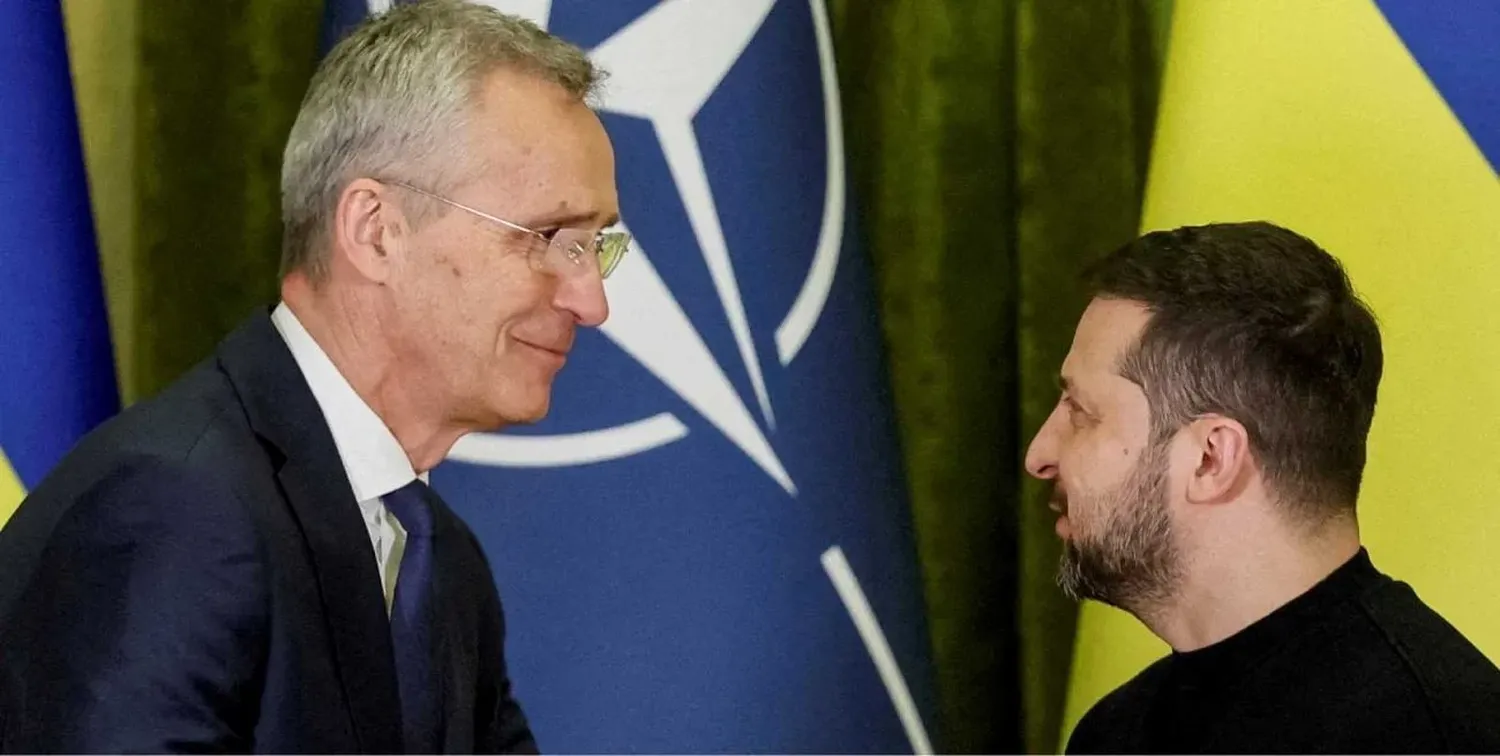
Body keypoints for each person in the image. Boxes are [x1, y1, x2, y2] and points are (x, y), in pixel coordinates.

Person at [0, 1, 628, 752]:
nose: (591, 301)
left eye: (598, 247)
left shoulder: (440, 565)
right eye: (552, 238)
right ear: (376, 231)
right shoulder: (177, 512)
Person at [1026, 221, 1500, 753]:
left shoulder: (1432, 736)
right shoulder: (1115, 734)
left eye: (1081, 413)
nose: (1038, 456)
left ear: (1211, 458)